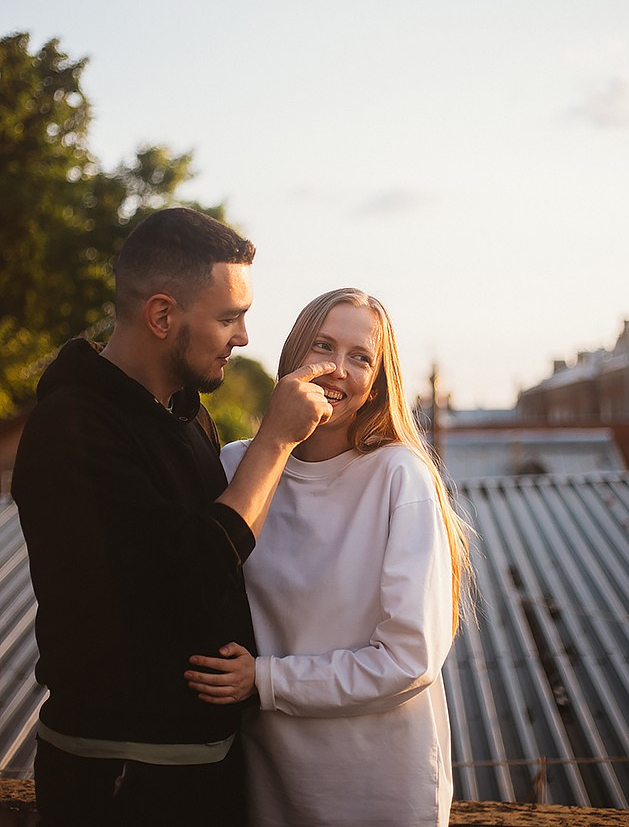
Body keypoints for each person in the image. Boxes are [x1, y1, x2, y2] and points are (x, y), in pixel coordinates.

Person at [12, 207, 336, 827]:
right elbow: (190, 569)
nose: (243, 337)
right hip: (121, 772)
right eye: (228, 317)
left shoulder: (185, 414)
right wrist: (273, 443)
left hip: (200, 761)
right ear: (162, 315)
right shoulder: (74, 425)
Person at [185, 287, 472, 827]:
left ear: (378, 379)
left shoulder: (398, 476)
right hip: (270, 781)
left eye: (361, 357)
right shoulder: (236, 465)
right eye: (323, 346)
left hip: (380, 786)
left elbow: (410, 658)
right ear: (293, 354)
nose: (339, 369)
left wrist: (266, 680)